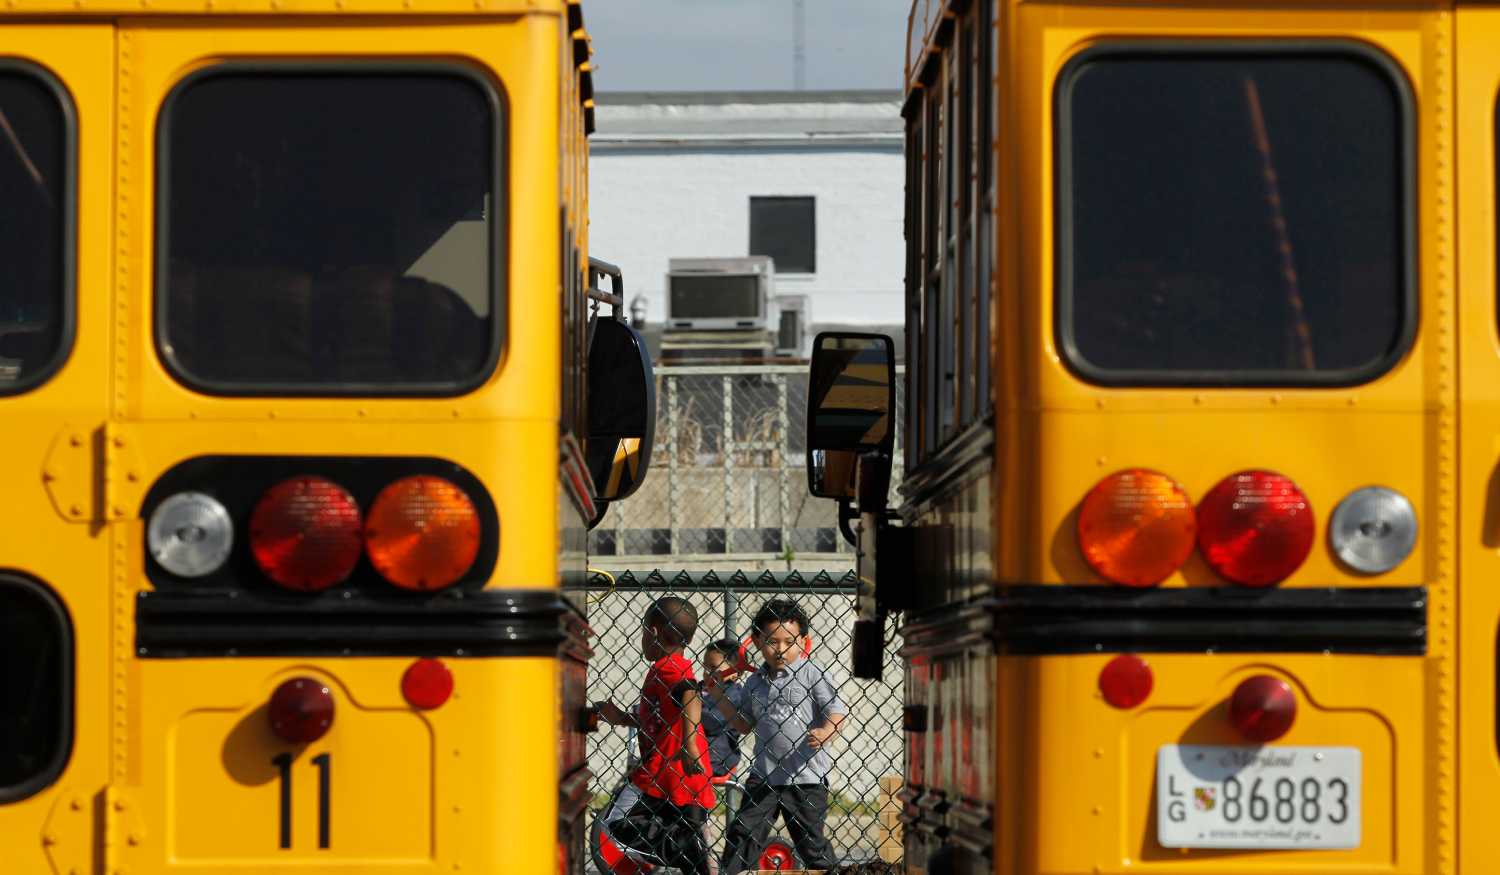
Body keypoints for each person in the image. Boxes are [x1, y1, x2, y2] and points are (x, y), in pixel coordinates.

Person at [704, 598, 847, 873]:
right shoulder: (755, 681)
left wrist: (827, 730)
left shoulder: (811, 674)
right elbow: (744, 724)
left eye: (789, 642)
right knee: (742, 834)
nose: (781, 649)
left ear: (803, 640)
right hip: (765, 776)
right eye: (772, 641)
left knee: (811, 844)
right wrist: (718, 696)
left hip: (805, 777)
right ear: (757, 641)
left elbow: (837, 711)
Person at [593, 597, 715, 875]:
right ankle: (689, 849)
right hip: (687, 777)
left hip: (667, 771)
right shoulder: (668, 668)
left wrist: (689, 744)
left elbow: (691, 694)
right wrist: (621, 717)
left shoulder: (669, 667)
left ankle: (685, 847)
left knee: (615, 823)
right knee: (694, 865)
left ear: (654, 632)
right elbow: (660, 719)